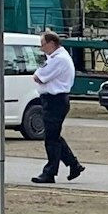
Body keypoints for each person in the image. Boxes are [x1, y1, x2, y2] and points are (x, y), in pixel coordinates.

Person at [30, 30, 83, 184]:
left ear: (52, 43)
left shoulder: (58, 59)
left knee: (51, 139)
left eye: (43, 45)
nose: (42, 48)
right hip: (53, 100)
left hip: (55, 100)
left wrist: (39, 75)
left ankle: (50, 172)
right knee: (54, 136)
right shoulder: (57, 57)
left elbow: (38, 77)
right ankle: (74, 164)